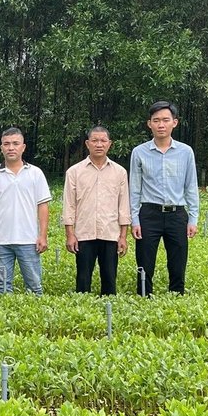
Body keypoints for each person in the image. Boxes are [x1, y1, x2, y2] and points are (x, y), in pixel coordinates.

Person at [129, 101, 199, 295]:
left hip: (177, 214)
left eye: (165, 120)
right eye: (156, 120)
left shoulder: (186, 152)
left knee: (177, 262)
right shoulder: (139, 152)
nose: (161, 124)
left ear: (174, 123)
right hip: (149, 213)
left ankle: (176, 296)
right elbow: (134, 188)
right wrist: (134, 220)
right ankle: (143, 296)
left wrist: (193, 218)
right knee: (144, 261)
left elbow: (191, 186)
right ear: (149, 124)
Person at [0, 127, 51, 294]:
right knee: (2, 288)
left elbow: (43, 206)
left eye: (15, 143)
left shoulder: (35, 173)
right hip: (1, 241)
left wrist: (42, 235)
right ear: (1, 148)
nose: (11, 147)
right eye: (6, 144)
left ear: (23, 147)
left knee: (34, 287)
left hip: (29, 240)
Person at [62, 125, 129, 294]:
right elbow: (69, 205)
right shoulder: (74, 172)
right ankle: (83, 312)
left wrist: (122, 236)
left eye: (103, 141)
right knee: (83, 280)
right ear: (87, 144)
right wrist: (70, 234)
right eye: (95, 140)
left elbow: (123, 206)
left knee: (109, 279)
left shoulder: (119, 172)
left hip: (110, 233)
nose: (99, 144)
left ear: (109, 144)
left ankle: (109, 313)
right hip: (84, 234)